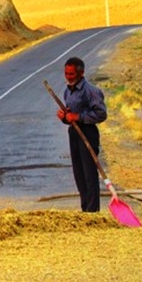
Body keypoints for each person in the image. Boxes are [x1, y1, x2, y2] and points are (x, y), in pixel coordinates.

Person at [56, 57, 107, 212]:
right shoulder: (67, 91)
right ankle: (85, 209)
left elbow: (101, 114)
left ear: (81, 73)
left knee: (89, 174)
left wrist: (78, 117)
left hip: (88, 133)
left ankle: (92, 211)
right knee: (78, 174)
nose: (68, 77)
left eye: (71, 74)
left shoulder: (91, 91)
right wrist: (65, 117)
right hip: (74, 134)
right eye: (66, 73)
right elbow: (70, 117)